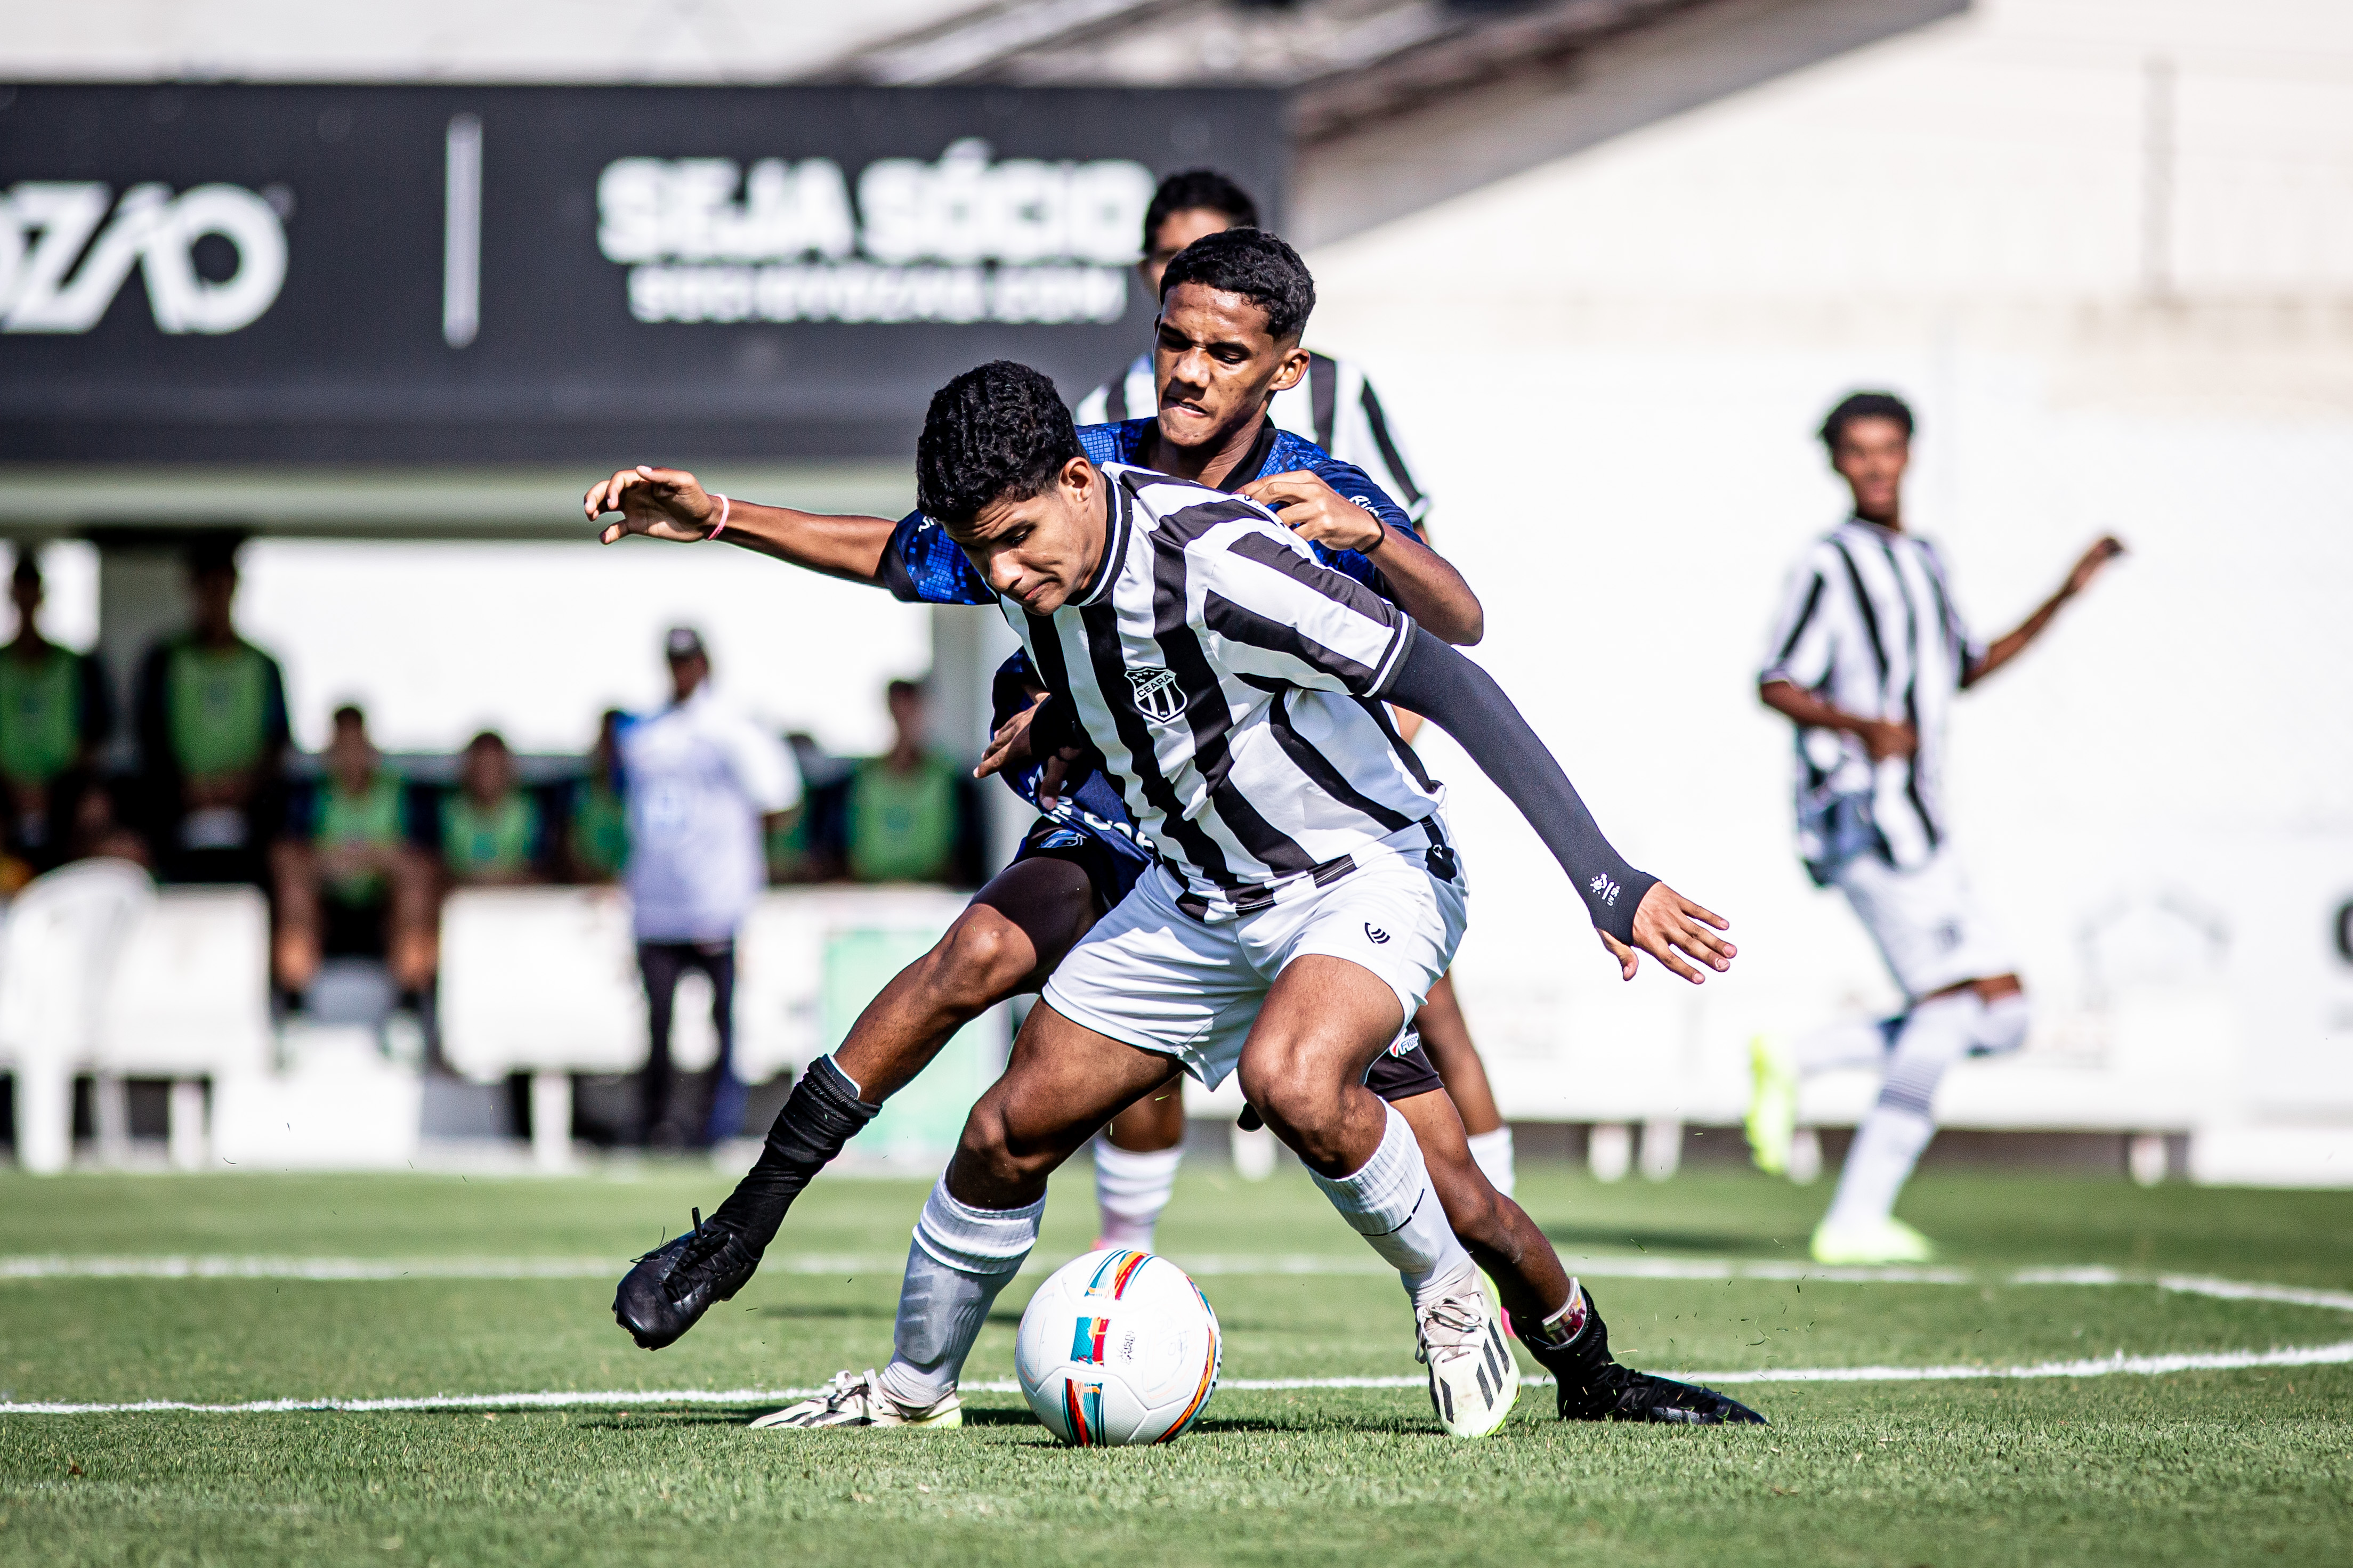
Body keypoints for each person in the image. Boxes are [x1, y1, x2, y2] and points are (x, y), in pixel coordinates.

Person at [590, 337, 1757, 1428]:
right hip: (1191, 897)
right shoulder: (1014, 543)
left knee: (1307, 1089)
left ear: (1074, 475)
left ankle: (1494, 1318)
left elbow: (1446, 675)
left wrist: (1606, 879)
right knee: (1001, 1132)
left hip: (1358, 871)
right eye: (980, 550)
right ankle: (907, 1390)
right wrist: (720, 518)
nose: (1000, 573)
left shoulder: (1221, 557)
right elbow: (889, 557)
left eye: (1013, 538)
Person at [1078, 168, 1516, 1210]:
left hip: (1328, 762)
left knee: (1424, 1021)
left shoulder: (1333, 400)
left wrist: (1399, 714)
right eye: (1172, 261)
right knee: (1097, 1002)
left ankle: (1490, 1243)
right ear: (1151, 276)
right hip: (1177, 774)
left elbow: (1418, 576)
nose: (1196, 353)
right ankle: (1120, 1254)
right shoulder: (1103, 417)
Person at [1746, 391, 2124, 1265]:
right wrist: (1861, 727)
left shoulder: (1925, 559)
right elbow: (1773, 680)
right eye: (1859, 451)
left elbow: (1964, 664)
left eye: (1890, 449)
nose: (1876, 465)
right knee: (1953, 1003)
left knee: (2002, 1011)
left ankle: (1804, 1056)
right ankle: (1855, 1216)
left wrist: (2063, 594)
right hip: (1861, 815)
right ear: (1838, 463)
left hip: (1923, 822)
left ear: (1910, 455)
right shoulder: (1828, 563)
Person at [619, 627, 802, 1148]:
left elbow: (780, 802)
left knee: (722, 1023)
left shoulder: (735, 730)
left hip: (716, 902)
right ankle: (655, 1124)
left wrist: (731, 851)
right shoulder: (644, 733)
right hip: (656, 901)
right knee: (657, 1026)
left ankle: (712, 1126)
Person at [134, 538, 291, 884]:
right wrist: (188, 787)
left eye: (223, 585)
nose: (215, 597)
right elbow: (149, 735)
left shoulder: (263, 664)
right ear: (192, 590)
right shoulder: (165, 659)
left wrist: (243, 785)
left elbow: (279, 742)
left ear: (235, 588)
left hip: (251, 808)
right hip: (178, 805)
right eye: (207, 586)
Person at [270, 704, 436, 995]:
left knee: (416, 890)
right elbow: (283, 856)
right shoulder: (312, 797)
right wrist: (330, 861)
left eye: (356, 746)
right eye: (342, 748)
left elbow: (426, 860)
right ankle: (293, 994)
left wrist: (374, 859)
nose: (350, 757)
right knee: (293, 890)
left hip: (383, 904)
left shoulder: (397, 792)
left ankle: (415, 993)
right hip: (327, 905)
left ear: (370, 749)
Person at [0, 549, 113, 882]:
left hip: (65, 790)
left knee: (95, 809)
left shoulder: (76, 666)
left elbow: (94, 736)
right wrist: (16, 787)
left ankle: (77, 887)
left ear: (42, 596)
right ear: (11, 596)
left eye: (32, 591)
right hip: (5, 792)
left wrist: (52, 788)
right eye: (20, 592)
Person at [844, 679, 982, 885]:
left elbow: (964, 852)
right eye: (899, 708)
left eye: (911, 709)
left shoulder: (949, 777)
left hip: (936, 894)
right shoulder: (863, 778)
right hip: (871, 894)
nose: (905, 718)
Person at [437, 730, 547, 887]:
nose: (487, 776)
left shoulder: (529, 811)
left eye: (493, 767)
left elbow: (543, 873)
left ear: (507, 769)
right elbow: (435, 869)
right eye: (481, 768)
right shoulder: (447, 811)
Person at [567, 708, 630, 884]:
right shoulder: (581, 795)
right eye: (608, 741)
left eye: (620, 743)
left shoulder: (644, 797)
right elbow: (571, 854)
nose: (614, 751)